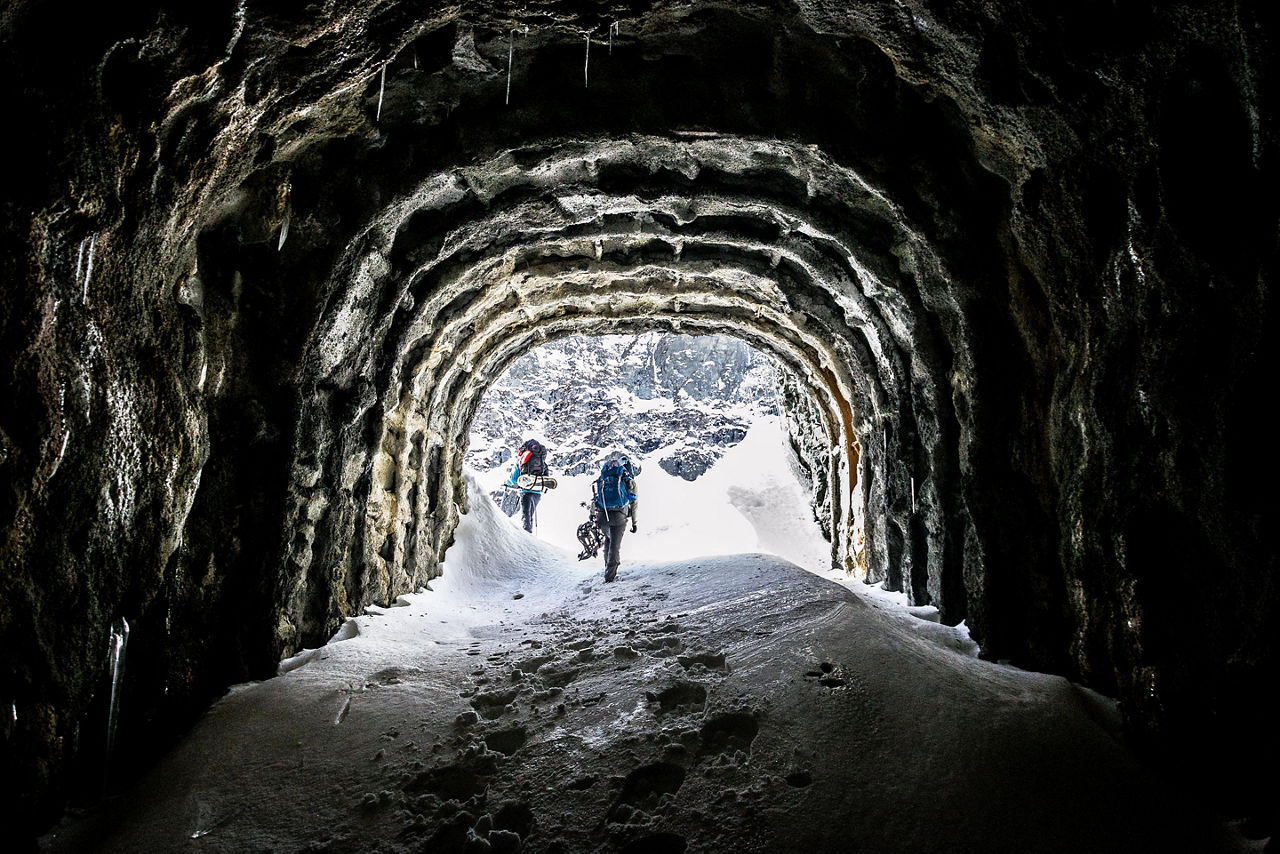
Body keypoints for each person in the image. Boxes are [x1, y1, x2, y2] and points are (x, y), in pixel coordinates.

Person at [592, 451, 637, 582]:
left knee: (608, 539)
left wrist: (593, 516)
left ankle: (607, 567)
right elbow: (634, 503)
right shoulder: (628, 480)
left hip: (602, 514)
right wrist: (634, 522)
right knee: (615, 545)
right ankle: (610, 576)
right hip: (619, 515)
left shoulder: (603, 477)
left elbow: (595, 498)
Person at [507, 439, 550, 533]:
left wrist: (508, 483)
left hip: (526, 491)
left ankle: (527, 541)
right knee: (530, 515)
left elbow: (514, 479)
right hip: (537, 492)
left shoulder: (522, 461)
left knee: (526, 517)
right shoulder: (542, 461)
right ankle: (529, 538)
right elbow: (547, 476)